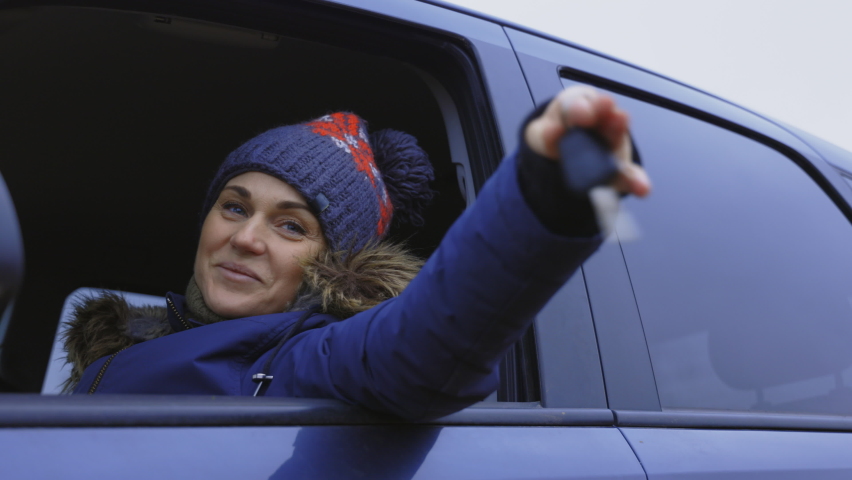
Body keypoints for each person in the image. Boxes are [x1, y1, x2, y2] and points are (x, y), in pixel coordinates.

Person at [62, 86, 650, 420]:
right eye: (235, 207)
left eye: (291, 227)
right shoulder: (125, 339)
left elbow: (423, 349)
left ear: (327, 262)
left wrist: (538, 199)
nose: (246, 238)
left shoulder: (302, 360)